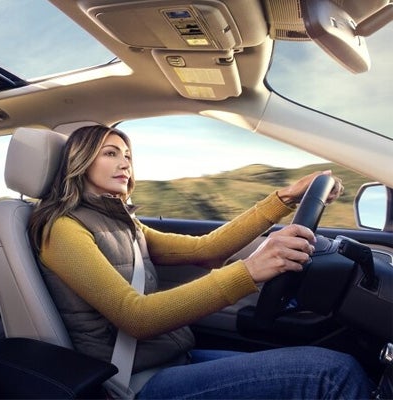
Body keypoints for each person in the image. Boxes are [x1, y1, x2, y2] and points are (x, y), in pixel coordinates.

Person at [28, 124, 372, 399]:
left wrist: (283, 198)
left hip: (174, 360)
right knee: (333, 374)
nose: (125, 163)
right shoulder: (62, 229)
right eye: (110, 153)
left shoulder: (122, 223)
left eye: (128, 156)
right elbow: (136, 318)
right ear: (81, 160)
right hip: (133, 381)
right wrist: (249, 270)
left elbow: (205, 250)